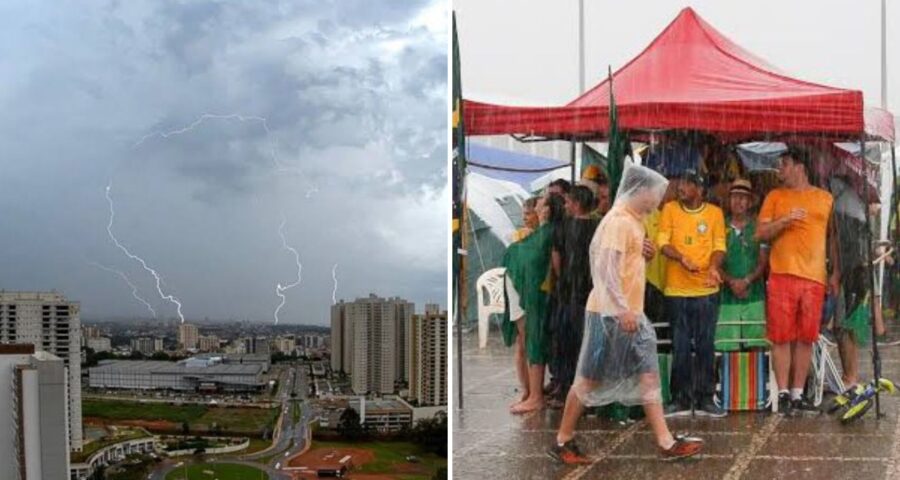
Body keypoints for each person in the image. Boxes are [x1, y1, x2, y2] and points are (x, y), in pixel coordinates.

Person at [548, 163, 704, 464]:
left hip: (629, 313)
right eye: (655, 194)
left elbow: (623, 262)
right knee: (588, 379)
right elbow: (605, 271)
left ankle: (666, 441)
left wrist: (643, 252)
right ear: (641, 191)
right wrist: (621, 310)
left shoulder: (633, 221)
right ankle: (563, 440)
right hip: (609, 314)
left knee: (648, 375)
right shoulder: (619, 221)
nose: (658, 200)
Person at [755, 146, 836, 415]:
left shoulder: (825, 198)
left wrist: (835, 273)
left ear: (800, 167)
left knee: (805, 338)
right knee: (781, 337)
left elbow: (833, 238)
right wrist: (784, 221)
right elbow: (760, 234)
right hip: (781, 275)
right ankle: (782, 394)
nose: (780, 170)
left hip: (814, 278)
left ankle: (798, 394)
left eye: (784, 164)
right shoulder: (775, 196)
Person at [658, 169, 727, 418]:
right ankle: (680, 398)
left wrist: (713, 267)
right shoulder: (669, 210)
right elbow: (662, 243)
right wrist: (681, 257)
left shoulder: (715, 214)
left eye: (688, 183)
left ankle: (706, 397)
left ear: (700, 189)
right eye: (681, 182)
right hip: (676, 290)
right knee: (680, 345)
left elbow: (719, 246)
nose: (682, 187)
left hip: (707, 290)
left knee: (706, 344)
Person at [501, 194, 565, 414]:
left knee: (533, 342)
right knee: (527, 343)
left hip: (536, 298)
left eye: (539, 204)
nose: (535, 207)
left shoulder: (547, 234)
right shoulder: (542, 233)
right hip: (533, 296)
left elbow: (533, 259)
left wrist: (514, 250)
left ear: (546, 210)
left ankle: (536, 396)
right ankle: (531, 393)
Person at [549, 185, 600, 405]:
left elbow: (556, 258)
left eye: (569, 202)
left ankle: (566, 388)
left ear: (577, 204)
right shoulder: (599, 227)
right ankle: (587, 390)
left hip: (569, 293)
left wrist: (563, 281)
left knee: (566, 341)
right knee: (586, 343)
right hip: (590, 294)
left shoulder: (563, 226)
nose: (566, 205)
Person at [718, 179, 769, 352]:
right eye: (734, 197)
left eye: (743, 197)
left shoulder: (759, 227)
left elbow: (763, 262)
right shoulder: (719, 225)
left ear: (750, 202)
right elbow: (713, 261)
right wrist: (732, 282)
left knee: (755, 346)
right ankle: (727, 380)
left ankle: (754, 380)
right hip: (726, 295)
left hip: (754, 295)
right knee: (726, 349)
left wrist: (746, 281)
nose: (738, 201)